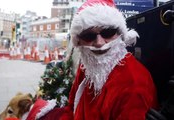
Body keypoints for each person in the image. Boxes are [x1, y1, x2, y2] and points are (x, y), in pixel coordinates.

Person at [26, 0, 158, 120]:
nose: (99, 43)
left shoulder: (134, 82)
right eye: (89, 35)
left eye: (108, 32)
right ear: (78, 41)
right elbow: (72, 108)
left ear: (119, 33)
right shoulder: (88, 64)